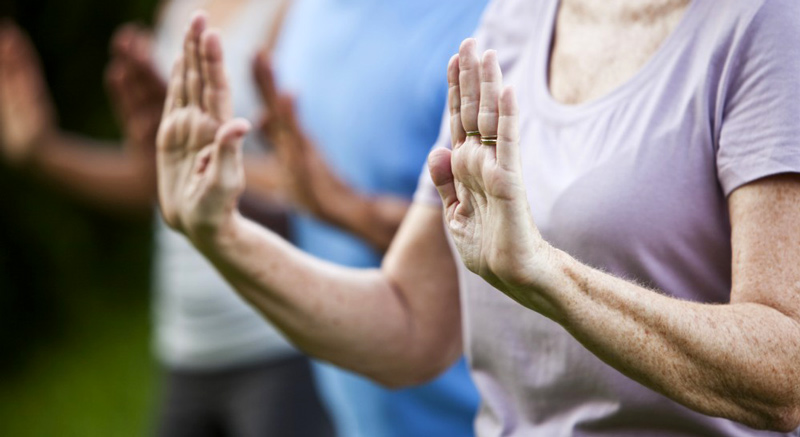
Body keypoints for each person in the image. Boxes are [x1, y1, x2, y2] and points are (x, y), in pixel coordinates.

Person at [156, 0, 800, 435]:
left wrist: (550, 277)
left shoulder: (767, 25)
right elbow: (411, 321)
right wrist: (222, 236)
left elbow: (785, 374)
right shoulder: (511, 21)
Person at [0, 1, 333, 436]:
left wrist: (206, 157)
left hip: (280, 339)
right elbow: (155, 186)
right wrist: (44, 153)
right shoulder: (177, 10)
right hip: (186, 344)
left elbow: (328, 191)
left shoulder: (301, 12)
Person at [249, 1, 488, 435]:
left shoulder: (495, 24)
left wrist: (352, 212)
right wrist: (204, 166)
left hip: (472, 419)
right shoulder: (303, 11)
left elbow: (520, 241)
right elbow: (304, 183)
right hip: (352, 412)